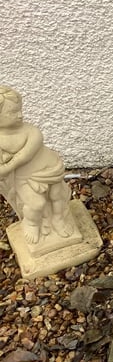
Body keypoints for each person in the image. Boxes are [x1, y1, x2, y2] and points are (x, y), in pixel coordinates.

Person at [0, 87, 74, 244]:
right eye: (12, 113)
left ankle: (58, 219)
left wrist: (8, 166)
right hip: (24, 178)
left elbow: (25, 155)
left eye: (19, 110)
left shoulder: (31, 131)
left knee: (57, 196)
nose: (19, 115)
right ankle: (31, 223)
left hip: (50, 169)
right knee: (36, 203)